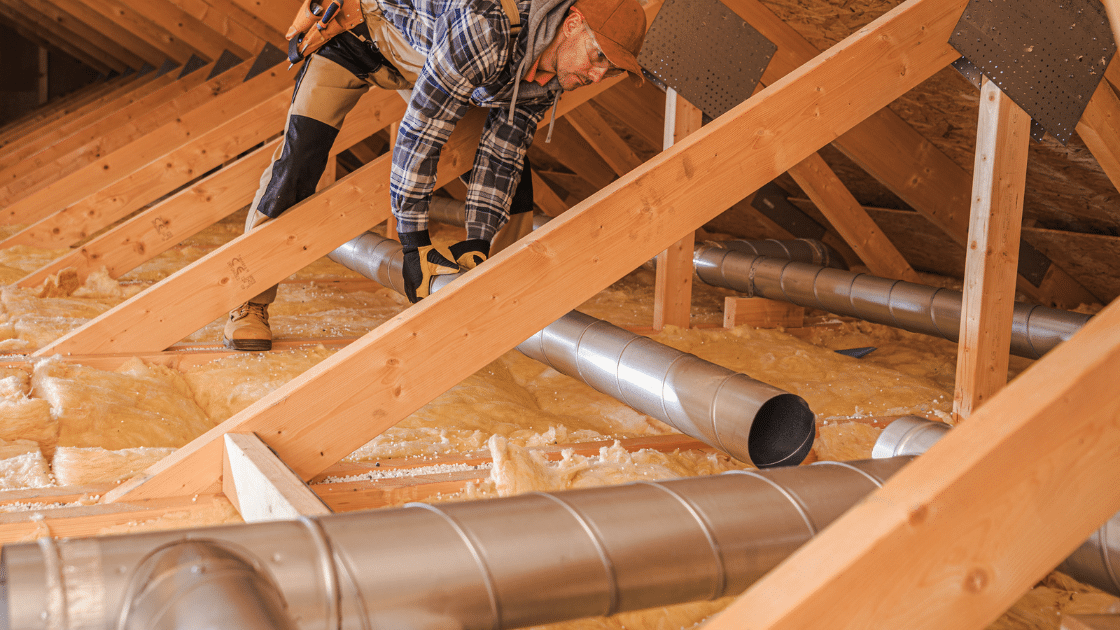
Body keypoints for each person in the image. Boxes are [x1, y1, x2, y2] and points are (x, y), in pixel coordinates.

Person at [223, 0, 647, 351]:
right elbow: (421, 131)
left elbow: (502, 153)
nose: (597, 76)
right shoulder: (489, 26)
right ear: (572, 25)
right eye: (598, 59)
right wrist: (413, 245)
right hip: (356, 36)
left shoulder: (554, 70)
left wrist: (476, 242)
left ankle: (493, 294)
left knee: (515, 179)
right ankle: (249, 299)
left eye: (609, 71)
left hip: (426, 56)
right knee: (299, 160)